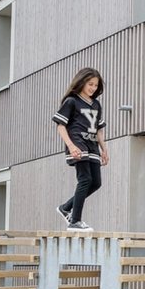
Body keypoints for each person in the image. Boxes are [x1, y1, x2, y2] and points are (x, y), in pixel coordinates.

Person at [52, 68, 110, 232]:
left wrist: (104, 149)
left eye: (95, 85)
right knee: (85, 179)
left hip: (92, 146)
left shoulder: (96, 104)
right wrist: (71, 146)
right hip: (78, 143)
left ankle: (65, 208)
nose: (93, 88)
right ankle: (75, 221)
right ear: (82, 82)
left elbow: (98, 130)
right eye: (90, 84)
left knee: (96, 183)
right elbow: (61, 126)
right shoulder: (72, 101)